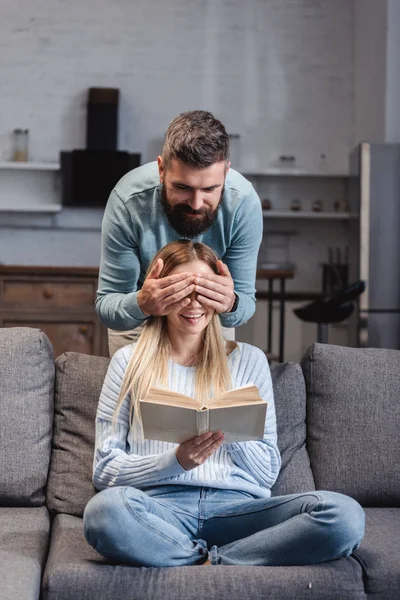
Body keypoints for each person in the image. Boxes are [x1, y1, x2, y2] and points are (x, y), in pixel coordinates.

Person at [84, 240, 365, 568]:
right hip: (160, 512)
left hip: (240, 512)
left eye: (203, 291)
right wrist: (176, 460)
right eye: (181, 290)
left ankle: (209, 562)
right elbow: (104, 471)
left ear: (219, 295)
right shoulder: (127, 361)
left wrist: (228, 428)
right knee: (104, 513)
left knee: (343, 516)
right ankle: (201, 558)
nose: (193, 304)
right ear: (161, 293)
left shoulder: (249, 360)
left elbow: (266, 474)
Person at [96, 110, 263, 356]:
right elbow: (108, 305)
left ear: (225, 173)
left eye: (209, 189)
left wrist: (231, 303)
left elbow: (244, 304)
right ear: (162, 170)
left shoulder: (243, 205)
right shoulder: (128, 202)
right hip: (141, 320)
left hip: (208, 320)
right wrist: (142, 303)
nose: (196, 203)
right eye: (183, 187)